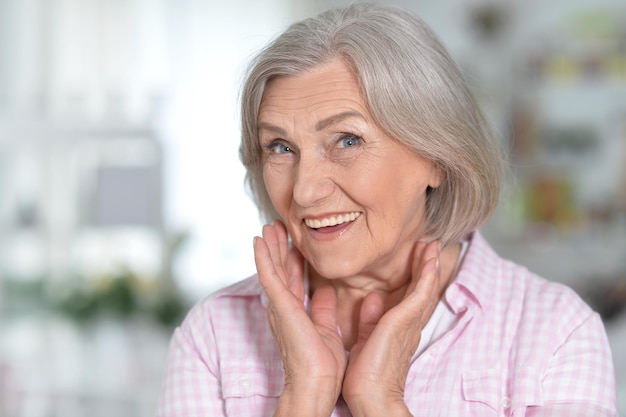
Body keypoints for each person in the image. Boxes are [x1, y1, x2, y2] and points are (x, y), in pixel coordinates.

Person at [157, 3, 618, 416]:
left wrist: (379, 400)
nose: (304, 192)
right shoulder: (214, 335)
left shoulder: (553, 332)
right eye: (280, 146)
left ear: (437, 156)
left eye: (347, 140)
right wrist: (305, 397)